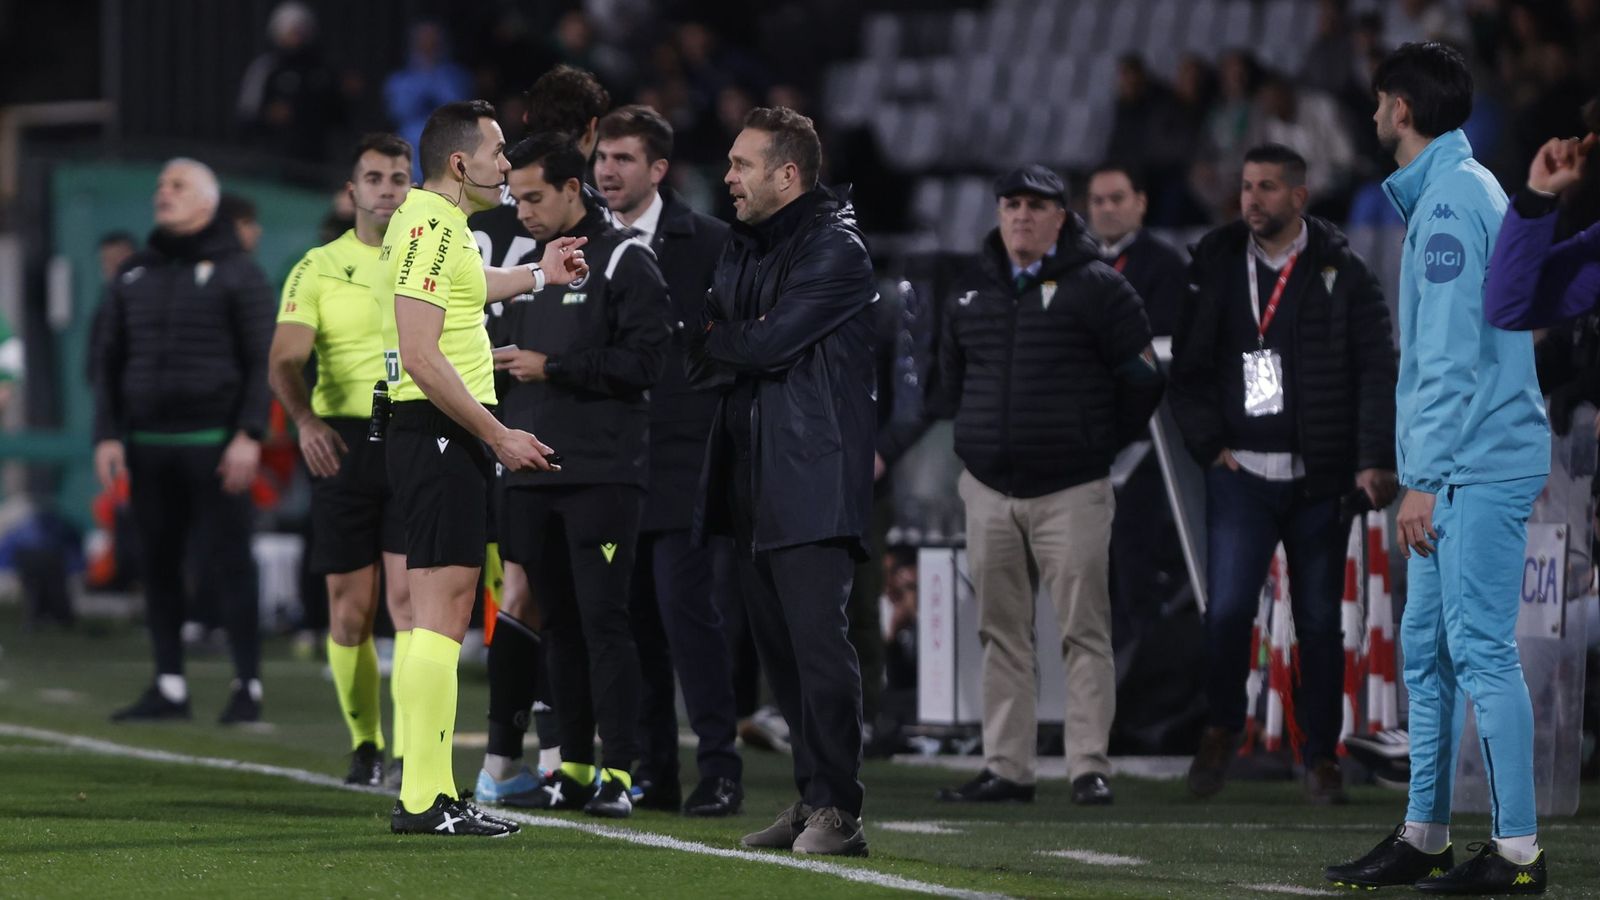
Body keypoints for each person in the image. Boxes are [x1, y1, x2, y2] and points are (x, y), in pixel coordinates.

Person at [1326, 42, 1552, 894]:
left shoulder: (1454, 201)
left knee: (1481, 651)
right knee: (1427, 651)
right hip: (1460, 460)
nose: (1374, 114)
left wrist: (1423, 478)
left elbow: (1452, 358)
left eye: (1379, 101)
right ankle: (1425, 833)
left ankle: (1518, 853)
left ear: (1402, 110)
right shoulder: (1459, 190)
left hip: (1473, 465)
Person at [377, 99, 587, 837]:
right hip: (439, 431)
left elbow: (464, 291)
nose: (507, 164)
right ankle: (423, 799)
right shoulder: (434, 225)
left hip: (436, 431)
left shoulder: (437, 223)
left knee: (439, 619)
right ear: (460, 163)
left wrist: (536, 275)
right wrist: (498, 435)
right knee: (440, 619)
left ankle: (431, 792)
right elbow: (421, 352)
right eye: (498, 152)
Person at [928, 165, 1163, 809]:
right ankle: (1008, 767)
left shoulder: (1100, 289)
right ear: (998, 213)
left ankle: (1088, 767)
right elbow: (949, 383)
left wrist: (1096, 443)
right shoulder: (969, 291)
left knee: (1083, 629)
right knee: (1001, 632)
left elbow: (1144, 379)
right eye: (1012, 204)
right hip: (989, 489)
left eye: (1036, 206)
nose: (1022, 216)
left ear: (1062, 216)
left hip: (1071, 489)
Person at [1169, 143, 1398, 806]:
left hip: (1317, 478)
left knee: (1320, 622)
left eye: (1268, 187)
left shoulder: (1343, 271)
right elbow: (1187, 368)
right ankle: (1221, 728)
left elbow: (1376, 369)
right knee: (1227, 612)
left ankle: (1320, 756)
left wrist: (1373, 459)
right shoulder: (1214, 264)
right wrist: (1209, 445)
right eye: (1247, 186)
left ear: (1300, 196)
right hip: (1239, 472)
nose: (1252, 198)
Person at [686, 107, 876, 857]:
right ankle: (810, 796)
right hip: (751, 475)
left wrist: (732, 338)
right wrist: (734, 340)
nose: (728, 177)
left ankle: (840, 810)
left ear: (787, 175)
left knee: (818, 650)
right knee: (782, 658)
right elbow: (704, 344)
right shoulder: (747, 243)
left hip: (811, 477)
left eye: (742, 165)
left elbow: (763, 345)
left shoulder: (837, 249)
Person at [484, 131, 669, 819]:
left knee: (605, 622)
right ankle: (573, 768)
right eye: (516, 199)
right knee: (558, 625)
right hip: (533, 476)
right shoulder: (530, 272)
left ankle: (620, 771)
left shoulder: (625, 259)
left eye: (535, 197)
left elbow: (648, 364)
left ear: (571, 188)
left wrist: (553, 367)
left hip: (600, 477)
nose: (524, 212)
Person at [469, 63, 613, 804]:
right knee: (563, 594)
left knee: (521, 591)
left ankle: (510, 761)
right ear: (590, 134)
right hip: (554, 435)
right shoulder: (582, 231)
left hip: (481, 427)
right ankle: (556, 757)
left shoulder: (479, 222)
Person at [594, 104, 743, 816]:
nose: (607, 171)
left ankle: (719, 768)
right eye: (601, 157)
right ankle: (653, 770)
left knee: (689, 616)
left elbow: (736, 343)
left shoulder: (710, 243)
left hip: (685, 457)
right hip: (611, 458)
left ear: (658, 169)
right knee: (631, 621)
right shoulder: (581, 245)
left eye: (623, 158)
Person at [93, 158, 273, 725]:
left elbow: (262, 361)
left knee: (229, 561)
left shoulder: (240, 273)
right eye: (160, 185)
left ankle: (247, 685)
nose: (162, 193)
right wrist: (107, 435)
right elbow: (109, 362)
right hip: (147, 445)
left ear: (207, 202)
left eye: (177, 185)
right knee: (158, 563)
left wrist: (249, 434)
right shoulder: (134, 273)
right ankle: (169, 685)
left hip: (216, 444)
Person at [268, 133, 415, 787]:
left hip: (417, 435)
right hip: (345, 444)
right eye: (374, 178)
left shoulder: (436, 257)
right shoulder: (317, 266)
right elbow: (284, 360)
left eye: (398, 178)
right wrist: (305, 421)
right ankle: (366, 745)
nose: (387, 190)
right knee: (350, 612)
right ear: (352, 190)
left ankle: (413, 752)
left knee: (411, 605)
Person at [1086, 164, 1188, 339]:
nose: (1107, 209)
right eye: (1098, 201)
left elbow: (1162, 333)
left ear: (1141, 203)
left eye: (1117, 199)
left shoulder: (1166, 264)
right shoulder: (1076, 262)